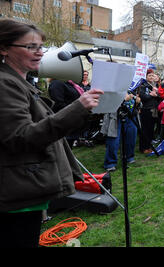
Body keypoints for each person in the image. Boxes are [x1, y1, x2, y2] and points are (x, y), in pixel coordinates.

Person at [0, 19, 103, 247]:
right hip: (18, 194)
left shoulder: (18, 82)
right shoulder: (5, 84)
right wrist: (78, 107)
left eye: (40, 47)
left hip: (24, 189)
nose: (39, 53)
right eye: (30, 47)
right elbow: (20, 137)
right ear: (4, 48)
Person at [101, 93, 139, 172]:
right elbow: (106, 103)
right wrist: (124, 100)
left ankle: (129, 157)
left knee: (131, 137)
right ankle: (110, 163)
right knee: (114, 139)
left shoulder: (132, 86)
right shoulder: (110, 87)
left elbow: (137, 102)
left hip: (131, 116)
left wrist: (137, 102)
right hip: (115, 117)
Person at [137, 70, 160, 154]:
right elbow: (143, 96)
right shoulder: (142, 85)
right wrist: (151, 94)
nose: (151, 77)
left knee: (151, 129)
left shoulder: (156, 85)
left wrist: (156, 94)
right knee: (145, 129)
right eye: (149, 75)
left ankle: (149, 146)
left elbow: (159, 96)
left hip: (154, 109)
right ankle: (143, 147)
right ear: (146, 77)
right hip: (146, 109)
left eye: (152, 76)